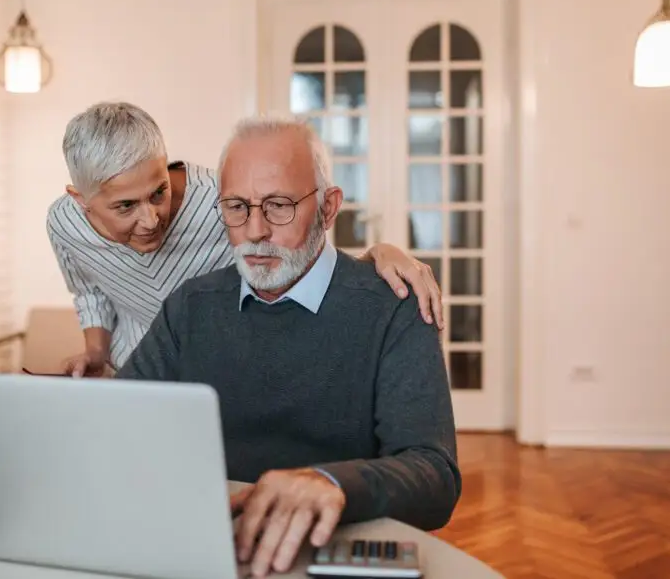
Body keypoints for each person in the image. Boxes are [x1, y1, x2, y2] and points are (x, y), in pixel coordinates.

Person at [116, 114, 460, 578]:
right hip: (214, 554)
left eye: (278, 206)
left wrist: (334, 482)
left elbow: (434, 477)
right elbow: (115, 427)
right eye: (236, 207)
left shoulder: (393, 305)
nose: (255, 230)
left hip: (335, 552)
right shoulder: (191, 307)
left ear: (328, 207)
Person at [46, 101, 445, 374]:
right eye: (125, 207)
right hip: (135, 372)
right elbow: (89, 291)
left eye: (159, 192)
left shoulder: (225, 200)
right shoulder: (63, 226)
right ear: (80, 201)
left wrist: (376, 255)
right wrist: (96, 353)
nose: (151, 219)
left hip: (226, 372)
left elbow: (299, 252)